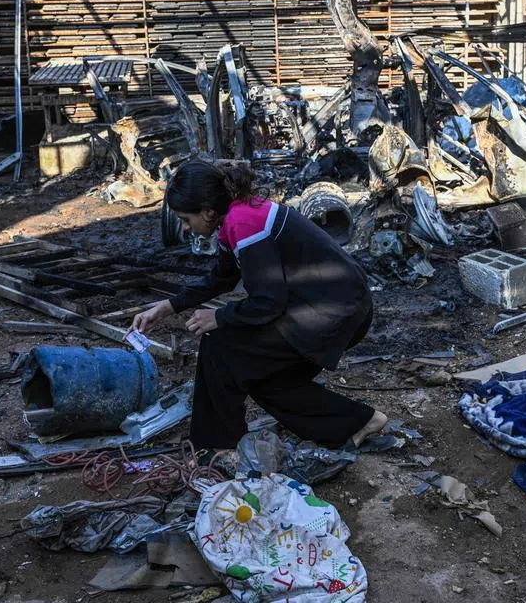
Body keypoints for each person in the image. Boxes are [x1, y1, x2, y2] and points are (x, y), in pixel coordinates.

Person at [132, 159, 388, 451]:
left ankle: (216, 448)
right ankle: (359, 422)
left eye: (186, 220)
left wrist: (220, 316)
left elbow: (267, 301)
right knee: (264, 378)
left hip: (332, 312)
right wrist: (167, 307)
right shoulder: (235, 217)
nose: (186, 228)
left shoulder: (243, 221)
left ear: (207, 211)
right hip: (335, 307)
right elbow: (223, 277)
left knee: (220, 347)